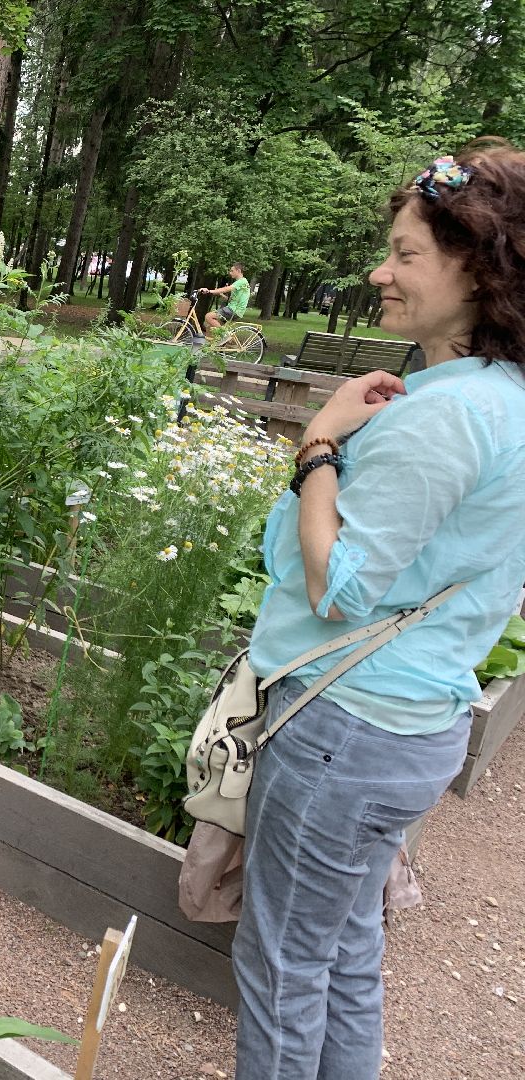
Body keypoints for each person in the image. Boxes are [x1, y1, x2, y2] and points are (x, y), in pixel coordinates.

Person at [234, 140, 525, 1078]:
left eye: (405, 254)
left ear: (477, 268)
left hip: (343, 730)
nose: (380, 272)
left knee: (280, 966)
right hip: (405, 724)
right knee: (345, 951)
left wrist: (318, 441)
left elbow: (338, 587)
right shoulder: (502, 400)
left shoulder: (444, 415)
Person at [203, 262, 250, 331]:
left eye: (232, 271)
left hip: (234, 310)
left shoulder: (241, 282)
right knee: (214, 328)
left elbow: (226, 289)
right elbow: (233, 299)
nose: (230, 273)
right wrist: (222, 295)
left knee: (208, 317)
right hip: (234, 309)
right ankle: (224, 338)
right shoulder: (241, 282)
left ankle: (226, 335)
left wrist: (209, 291)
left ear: (239, 271)